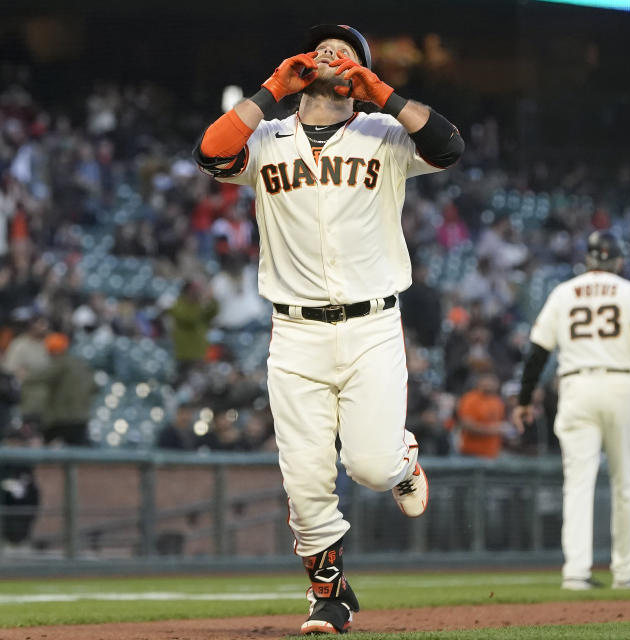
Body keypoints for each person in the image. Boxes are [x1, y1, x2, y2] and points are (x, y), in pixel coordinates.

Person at [193, 24, 464, 634]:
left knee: (369, 466)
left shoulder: (385, 134)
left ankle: (401, 461)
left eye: (347, 53)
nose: (332, 55)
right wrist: (271, 89)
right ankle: (328, 593)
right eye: (322, 49)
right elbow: (210, 153)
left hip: (371, 325)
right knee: (306, 473)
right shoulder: (265, 138)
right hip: (294, 332)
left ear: (359, 73)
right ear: (303, 66)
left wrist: (383, 93)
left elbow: (450, 147)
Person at [513, 231, 630, 591]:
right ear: (618, 261)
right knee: (625, 482)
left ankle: (575, 571)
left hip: (576, 388)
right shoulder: (629, 291)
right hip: (620, 386)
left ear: (588, 260)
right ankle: (626, 571)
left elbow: (538, 352)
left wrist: (524, 399)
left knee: (578, 483)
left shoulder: (563, 292)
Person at [27, 333, 97, 446]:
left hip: (61, 419)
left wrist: (25, 377)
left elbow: (38, 378)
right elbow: (94, 387)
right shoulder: (81, 364)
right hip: (81, 417)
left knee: (46, 450)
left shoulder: (60, 363)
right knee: (78, 453)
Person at [453, 373, 511, 458]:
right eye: (486, 381)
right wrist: (494, 430)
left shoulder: (497, 401)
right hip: (471, 452)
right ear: (479, 383)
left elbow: (500, 424)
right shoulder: (470, 399)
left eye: (492, 382)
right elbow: (466, 425)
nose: (489, 384)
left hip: (492, 453)